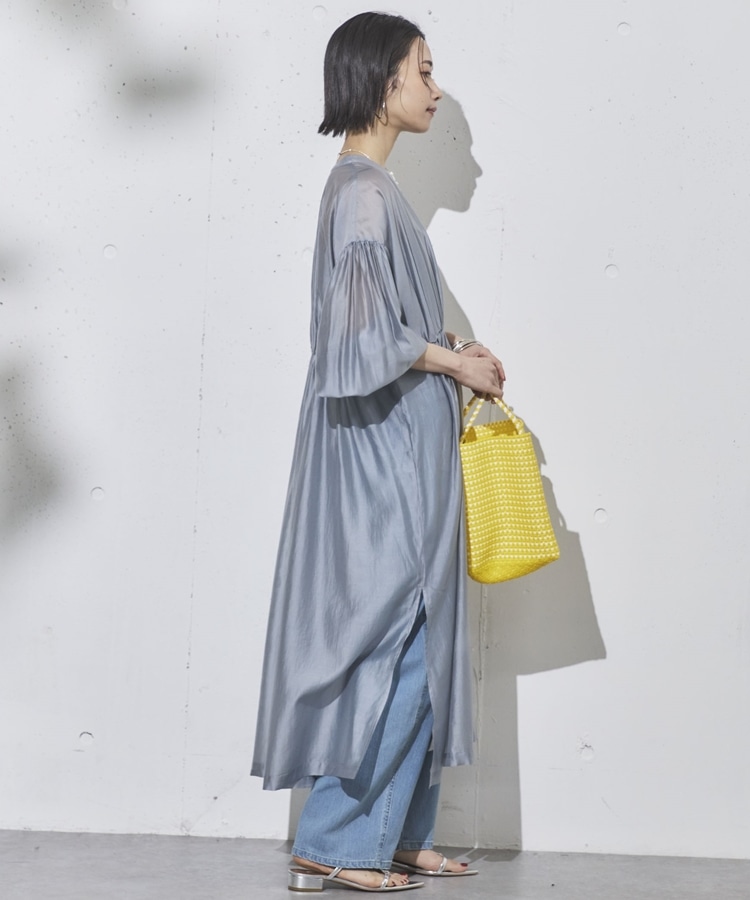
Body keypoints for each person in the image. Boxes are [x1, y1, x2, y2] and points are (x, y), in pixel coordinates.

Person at [251, 11, 505, 893]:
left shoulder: (370, 191)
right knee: (396, 635)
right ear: (382, 79)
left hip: (400, 444)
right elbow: (356, 342)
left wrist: (455, 353)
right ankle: (335, 840)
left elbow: (384, 324)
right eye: (423, 71)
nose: (435, 89)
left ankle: (393, 832)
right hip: (381, 455)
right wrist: (452, 359)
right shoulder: (362, 193)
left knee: (419, 635)